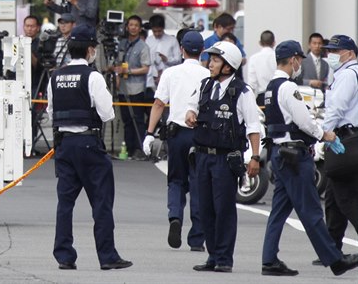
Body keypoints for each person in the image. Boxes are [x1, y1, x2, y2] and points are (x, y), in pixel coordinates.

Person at [260, 40, 358, 277]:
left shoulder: (270, 88)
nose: (300, 64)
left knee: (279, 211)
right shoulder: (288, 88)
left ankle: (269, 259)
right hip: (295, 155)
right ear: (293, 59)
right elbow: (303, 121)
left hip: (280, 153)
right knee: (311, 210)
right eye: (299, 60)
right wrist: (324, 134)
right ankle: (335, 260)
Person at [46, 24, 132, 271]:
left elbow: (52, 112)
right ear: (90, 49)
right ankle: (107, 256)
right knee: (101, 202)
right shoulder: (93, 76)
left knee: (65, 203)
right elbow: (107, 114)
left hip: (64, 145)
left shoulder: (55, 76)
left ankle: (64, 255)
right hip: (89, 144)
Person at [184, 41, 261, 273]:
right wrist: (190, 114)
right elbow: (191, 107)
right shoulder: (205, 85)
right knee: (204, 208)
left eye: (216, 60)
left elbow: (253, 126)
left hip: (225, 159)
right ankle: (212, 256)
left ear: (229, 66)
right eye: (211, 59)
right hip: (202, 156)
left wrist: (255, 157)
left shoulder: (242, 92)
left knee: (224, 209)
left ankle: (225, 258)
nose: (210, 63)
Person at [143, 31, 208, 252]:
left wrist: (149, 133)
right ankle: (197, 238)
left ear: (181, 49)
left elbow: (159, 104)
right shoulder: (208, 74)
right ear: (202, 51)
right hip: (200, 134)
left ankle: (175, 217)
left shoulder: (171, 73)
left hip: (177, 134)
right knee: (199, 182)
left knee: (176, 180)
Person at [316, 34, 358, 267]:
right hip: (348, 139)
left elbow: (337, 108)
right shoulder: (349, 73)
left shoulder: (347, 75)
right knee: (332, 197)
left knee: (346, 197)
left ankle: (332, 250)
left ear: (349, 53)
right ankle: (332, 250)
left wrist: (323, 134)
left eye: (335, 50)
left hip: (345, 139)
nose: (330, 55)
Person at [112, 15, 151, 160]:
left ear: (140, 28)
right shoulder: (122, 44)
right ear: (127, 27)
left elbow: (145, 68)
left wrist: (128, 71)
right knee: (126, 120)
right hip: (122, 87)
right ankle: (128, 149)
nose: (133, 27)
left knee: (138, 119)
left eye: (136, 25)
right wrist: (116, 75)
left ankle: (139, 149)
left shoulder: (143, 46)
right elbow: (117, 64)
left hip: (136, 88)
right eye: (131, 25)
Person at [246, 30, 277, 105]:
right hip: (277, 95)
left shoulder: (253, 58)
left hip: (262, 97)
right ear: (274, 42)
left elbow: (251, 84)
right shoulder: (278, 57)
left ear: (260, 43)